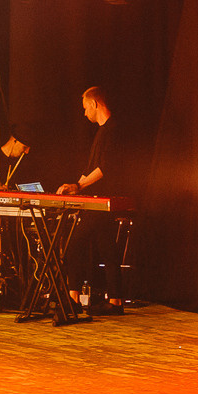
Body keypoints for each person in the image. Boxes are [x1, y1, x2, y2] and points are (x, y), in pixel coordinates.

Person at [56, 87, 129, 313]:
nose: (84, 113)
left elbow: (104, 169)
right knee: (108, 248)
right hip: (97, 199)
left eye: (86, 107)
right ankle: (115, 301)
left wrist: (78, 186)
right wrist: (74, 187)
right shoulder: (101, 132)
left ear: (95, 104)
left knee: (74, 243)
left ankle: (74, 298)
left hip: (104, 200)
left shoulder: (114, 130)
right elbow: (91, 169)